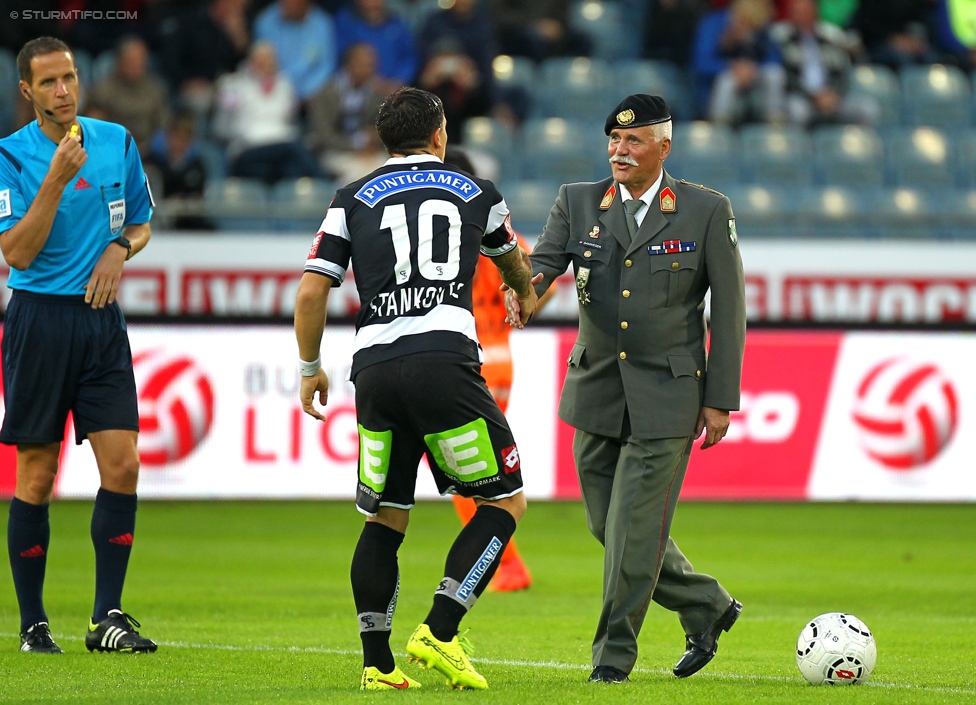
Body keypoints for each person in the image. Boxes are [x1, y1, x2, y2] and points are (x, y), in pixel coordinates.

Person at [294, 87, 538, 690]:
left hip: (373, 368)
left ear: (385, 141)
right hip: (443, 362)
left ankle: (378, 668)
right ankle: (441, 631)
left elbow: (310, 291)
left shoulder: (349, 198)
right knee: (504, 503)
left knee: (385, 517)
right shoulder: (477, 191)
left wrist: (308, 368)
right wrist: (524, 295)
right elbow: (511, 261)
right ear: (439, 136)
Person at [508, 94, 745, 683]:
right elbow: (542, 267)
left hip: (668, 397)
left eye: (634, 141)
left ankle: (612, 660)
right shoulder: (578, 201)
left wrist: (720, 397)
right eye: (614, 140)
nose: (620, 150)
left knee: (632, 532)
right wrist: (523, 295)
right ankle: (707, 605)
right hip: (596, 391)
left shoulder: (706, 210)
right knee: (609, 528)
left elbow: (731, 310)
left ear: (664, 147)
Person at [0, 37, 156, 654]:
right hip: (39, 321)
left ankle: (107, 618)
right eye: (49, 83)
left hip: (101, 324)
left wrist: (122, 248)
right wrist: (57, 182)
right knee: (37, 474)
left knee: (124, 464)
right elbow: (15, 253)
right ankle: (34, 623)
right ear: (27, 92)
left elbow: (141, 220)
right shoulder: (10, 157)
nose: (63, 91)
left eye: (69, 77)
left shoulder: (116, 140)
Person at [441, 146, 541, 593]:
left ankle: (506, 565)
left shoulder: (441, 229)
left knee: (467, 475)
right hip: (500, 358)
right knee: (472, 471)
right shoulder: (493, 224)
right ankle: (502, 563)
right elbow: (535, 276)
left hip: (463, 357)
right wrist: (519, 309)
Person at [213, 41, 325, 185]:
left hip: (280, 150)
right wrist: (240, 135)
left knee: (291, 171)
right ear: (251, 62)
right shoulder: (233, 86)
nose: (267, 65)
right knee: (295, 150)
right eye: (261, 60)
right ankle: (325, 185)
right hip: (248, 149)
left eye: (270, 60)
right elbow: (220, 127)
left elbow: (290, 121)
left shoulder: (285, 85)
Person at [771, 0, 878, 126]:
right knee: (797, 111)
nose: (800, 16)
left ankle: (855, 143)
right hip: (801, 97)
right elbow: (786, 76)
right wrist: (813, 96)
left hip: (832, 96)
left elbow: (843, 71)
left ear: (815, 13)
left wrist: (835, 94)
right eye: (796, 12)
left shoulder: (830, 38)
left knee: (867, 108)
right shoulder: (783, 39)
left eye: (805, 12)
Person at [306, 42, 387, 187]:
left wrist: (374, 138)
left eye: (371, 65)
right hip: (334, 151)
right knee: (360, 176)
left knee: (387, 170)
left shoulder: (376, 94)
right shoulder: (327, 93)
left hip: (369, 153)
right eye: (364, 65)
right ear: (349, 65)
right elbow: (323, 135)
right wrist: (355, 147)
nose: (369, 70)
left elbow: (383, 130)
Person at [693, 0, 785, 124]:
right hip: (716, 93)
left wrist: (752, 68)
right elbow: (701, 63)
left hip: (756, 90)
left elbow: (775, 58)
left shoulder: (760, 23)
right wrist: (731, 65)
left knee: (774, 74)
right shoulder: (714, 22)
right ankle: (718, 124)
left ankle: (775, 123)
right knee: (727, 80)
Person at [86, 36, 170, 157]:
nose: (138, 65)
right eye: (133, 61)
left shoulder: (155, 90)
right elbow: (94, 128)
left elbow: (163, 127)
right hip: (112, 153)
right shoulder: (103, 90)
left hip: (148, 154)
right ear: (120, 62)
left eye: (141, 60)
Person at [254, 0, 338, 103]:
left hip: (312, 94)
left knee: (329, 92)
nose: (287, 4)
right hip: (276, 89)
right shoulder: (265, 22)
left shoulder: (323, 24)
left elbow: (326, 66)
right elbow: (261, 63)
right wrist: (284, 89)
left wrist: (308, 91)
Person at [334, 0, 417, 88]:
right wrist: (370, 82)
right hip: (356, 89)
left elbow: (409, 59)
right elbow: (341, 58)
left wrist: (398, 81)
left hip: (394, 89)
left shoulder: (397, 24)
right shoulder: (345, 22)